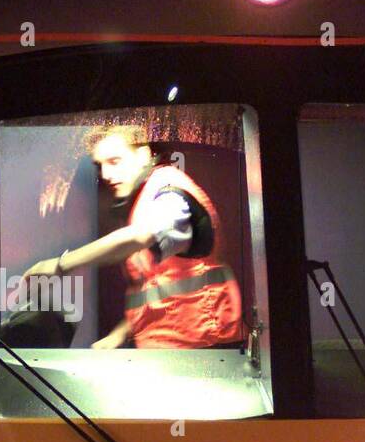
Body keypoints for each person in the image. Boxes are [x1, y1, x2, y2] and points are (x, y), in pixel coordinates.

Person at [21, 126, 242, 349]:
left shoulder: (169, 191)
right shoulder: (146, 200)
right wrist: (119, 334)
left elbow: (139, 237)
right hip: (171, 348)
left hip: (204, 349)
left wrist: (61, 265)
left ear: (143, 154)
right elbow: (157, 288)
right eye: (100, 166)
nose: (105, 175)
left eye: (114, 161)